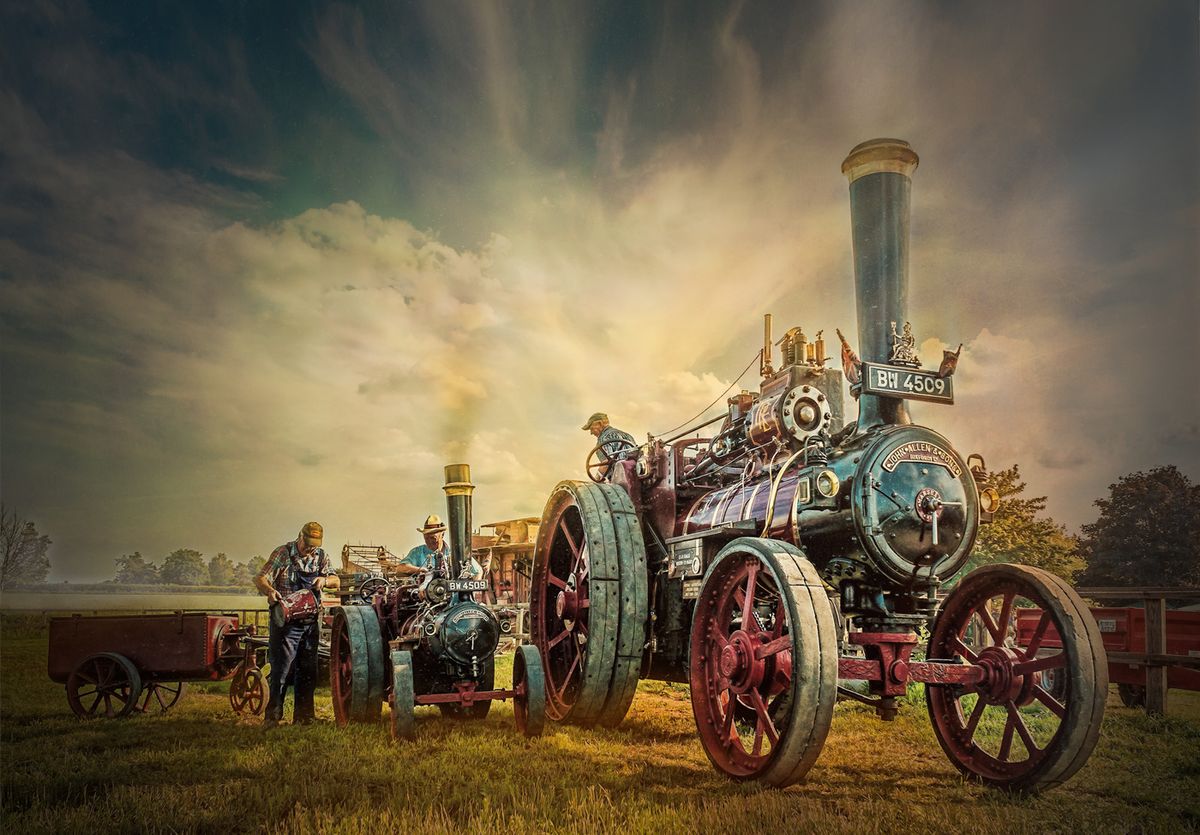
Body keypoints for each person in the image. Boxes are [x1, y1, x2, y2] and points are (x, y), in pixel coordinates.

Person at [254, 521, 329, 727]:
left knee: (308, 670)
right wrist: (270, 591)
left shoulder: (321, 557)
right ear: (300, 536)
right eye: (308, 543)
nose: (310, 548)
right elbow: (260, 578)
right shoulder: (282, 553)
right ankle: (273, 716)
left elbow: (335, 580)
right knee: (282, 670)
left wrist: (324, 580)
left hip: (310, 622)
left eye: (315, 544)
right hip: (285, 622)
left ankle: (304, 717)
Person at [396, 514, 483, 579]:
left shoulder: (455, 554)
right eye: (426, 537)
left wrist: (473, 593)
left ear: (442, 535)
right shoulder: (417, 553)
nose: (429, 541)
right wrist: (421, 570)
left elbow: (478, 571)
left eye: (433, 538)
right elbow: (400, 568)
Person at [581, 411, 636, 480]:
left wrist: (597, 479)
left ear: (600, 423)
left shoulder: (604, 438)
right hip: (634, 475)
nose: (591, 433)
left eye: (592, 428)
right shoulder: (628, 436)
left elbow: (607, 463)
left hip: (619, 480)